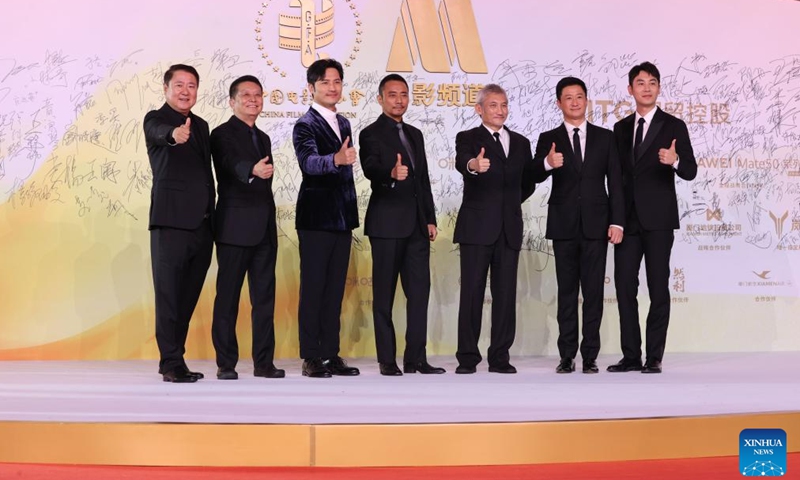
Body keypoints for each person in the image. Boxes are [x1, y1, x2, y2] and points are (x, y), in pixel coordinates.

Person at [531, 76, 625, 374]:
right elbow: (534, 174)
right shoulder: (549, 137)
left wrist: (617, 221)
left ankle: (590, 355)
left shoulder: (605, 137)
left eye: (579, 96)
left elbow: (616, 183)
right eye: (568, 97)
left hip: (597, 225)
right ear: (559, 103)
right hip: (564, 225)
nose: (574, 102)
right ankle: (567, 354)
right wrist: (547, 163)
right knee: (567, 292)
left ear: (586, 101)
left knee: (594, 292)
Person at [610, 62, 697, 374]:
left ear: (659, 88)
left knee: (658, 288)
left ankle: (654, 357)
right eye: (640, 82)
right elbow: (616, 179)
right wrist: (616, 220)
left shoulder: (674, 126)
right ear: (630, 89)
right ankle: (631, 355)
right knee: (624, 288)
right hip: (627, 224)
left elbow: (691, 170)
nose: (646, 87)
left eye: (652, 82)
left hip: (659, 221)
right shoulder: (620, 130)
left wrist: (675, 161)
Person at [359, 74, 445, 376]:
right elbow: (370, 168)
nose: (399, 100)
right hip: (386, 225)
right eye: (392, 95)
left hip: (417, 228)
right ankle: (386, 359)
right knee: (383, 296)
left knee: (419, 294)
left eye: (404, 95)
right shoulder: (370, 133)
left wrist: (430, 218)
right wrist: (389, 174)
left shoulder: (416, 134)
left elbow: (422, 181)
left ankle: (416, 359)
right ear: (381, 99)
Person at [453, 84, 536, 374]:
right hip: (476, 228)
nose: (500, 110)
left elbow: (527, 183)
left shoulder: (522, 142)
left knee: (505, 294)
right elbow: (462, 162)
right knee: (472, 293)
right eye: (493, 105)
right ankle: (467, 357)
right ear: (479, 109)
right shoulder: (468, 137)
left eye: (504, 105)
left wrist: (509, 203)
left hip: (509, 227)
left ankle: (500, 357)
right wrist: (474, 165)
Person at [209, 75, 284, 381]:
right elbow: (227, 162)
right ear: (232, 101)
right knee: (228, 298)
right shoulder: (221, 134)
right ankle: (226, 363)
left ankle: (264, 362)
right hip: (234, 227)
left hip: (264, 228)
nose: (254, 100)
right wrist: (250, 170)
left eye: (258, 95)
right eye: (246, 96)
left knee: (265, 299)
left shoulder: (263, 137)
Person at [143, 64, 214, 383]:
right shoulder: (155, 119)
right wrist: (173, 135)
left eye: (192, 86)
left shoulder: (201, 125)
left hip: (202, 224)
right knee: (169, 295)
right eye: (180, 85)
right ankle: (170, 362)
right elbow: (160, 134)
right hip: (171, 222)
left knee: (187, 296)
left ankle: (175, 358)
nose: (186, 91)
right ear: (166, 88)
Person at [292, 58, 360, 378]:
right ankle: (310, 356)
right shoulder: (305, 124)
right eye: (325, 83)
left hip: (342, 218)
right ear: (311, 88)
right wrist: (336, 158)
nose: (332, 88)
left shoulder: (344, 123)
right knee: (314, 288)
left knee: (335, 290)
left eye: (337, 82)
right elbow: (309, 163)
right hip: (316, 217)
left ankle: (331, 354)